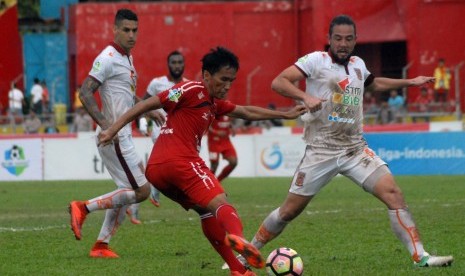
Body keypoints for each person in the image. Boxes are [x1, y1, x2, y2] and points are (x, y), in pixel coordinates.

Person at [244, 15, 453, 269]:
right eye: (338, 38)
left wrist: (410, 81)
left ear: (355, 40)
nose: (343, 43)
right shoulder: (315, 61)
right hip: (321, 149)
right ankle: (248, 252)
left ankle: (421, 256)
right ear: (329, 39)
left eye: (348, 39)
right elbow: (279, 82)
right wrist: (304, 96)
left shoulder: (358, 64)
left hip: (355, 148)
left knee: (394, 194)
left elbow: (373, 85)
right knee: (289, 211)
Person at [98, 46, 307, 276]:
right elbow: (147, 104)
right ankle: (240, 240)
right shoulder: (190, 89)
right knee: (221, 201)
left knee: (206, 212)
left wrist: (285, 114)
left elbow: (246, 111)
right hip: (178, 161)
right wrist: (112, 129)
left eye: (232, 80)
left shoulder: (214, 103)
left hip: (158, 171)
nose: (227, 86)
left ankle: (239, 270)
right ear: (207, 75)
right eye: (223, 79)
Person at [68, 9, 164, 258]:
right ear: (115, 30)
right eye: (126, 30)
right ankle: (83, 207)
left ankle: (101, 245)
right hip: (116, 136)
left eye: (135, 30)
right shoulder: (108, 57)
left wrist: (148, 108)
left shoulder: (127, 58)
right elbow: (85, 92)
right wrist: (107, 126)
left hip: (122, 134)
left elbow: (125, 93)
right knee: (141, 191)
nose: (132, 35)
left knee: (125, 191)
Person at [127, 50, 188, 224]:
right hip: (160, 130)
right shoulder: (157, 83)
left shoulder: (187, 86)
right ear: (168, 64)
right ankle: (153, 193)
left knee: (159, 167)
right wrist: (143, 123)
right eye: (173, 62)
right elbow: (143, 104)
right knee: (167, 165)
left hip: (178, 134)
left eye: (179, 62)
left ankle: (137, 203)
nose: (176, 65)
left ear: (184, 65)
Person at [208, 115, 237, 182]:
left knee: (234, 162)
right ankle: (209, 184)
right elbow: (207, 125)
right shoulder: (213, 111)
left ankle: (218, 181)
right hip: (214, 142)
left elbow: (227, 122)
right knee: (214, 165)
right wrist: (216, 132)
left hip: (225, 141)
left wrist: (232, 127)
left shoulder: (228, 111)